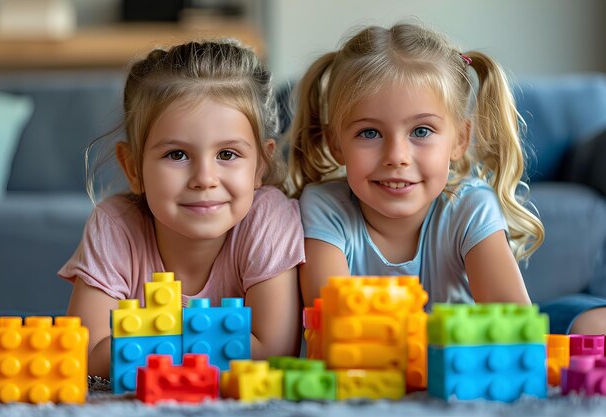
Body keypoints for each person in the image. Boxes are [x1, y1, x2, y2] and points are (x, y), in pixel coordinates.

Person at [287, 21, 606, 336]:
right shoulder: (324, 207)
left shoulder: (469, 204)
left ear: (460, 139)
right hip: (380, 367)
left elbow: (513, 324)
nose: (397, 156)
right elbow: (336, 325)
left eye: (421, 131)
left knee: (593, 322)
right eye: (369, 132)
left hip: (458, 360)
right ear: (335, 143)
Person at [60, 39, 304, 378]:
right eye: (177, 155)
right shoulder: (115, 224)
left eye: (227, 155)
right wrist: (216, 341)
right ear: (132, 169)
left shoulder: (268, 219)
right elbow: (85, 354)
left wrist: (146, 342)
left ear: (260, 165)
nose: (204, 179)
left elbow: (273, 353)